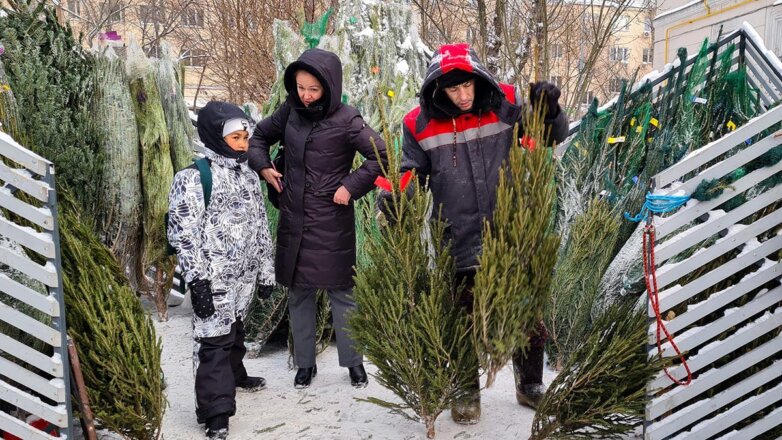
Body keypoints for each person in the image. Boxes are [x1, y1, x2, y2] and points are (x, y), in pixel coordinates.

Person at [383, 43, 568, 424]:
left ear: (478, 78)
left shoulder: (506, 103)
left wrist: (549, 111)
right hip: (457, 235)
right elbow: (410, 171)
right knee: (462, 319)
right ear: (439, 88)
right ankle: (465, 390)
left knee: (526, 314)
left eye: (467, 85)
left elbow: (547, 137)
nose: (463, 95)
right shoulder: (418, 123)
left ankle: (530, 383)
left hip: (511, 230)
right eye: (453, 89)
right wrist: (396, 197)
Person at [248, 48, 387, 390]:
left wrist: (350, 186)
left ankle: (354, 364)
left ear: (329, 86)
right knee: (299, 294)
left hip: (332, 220)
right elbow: (259, 137)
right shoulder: (289, 111)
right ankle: (305, 364)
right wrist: (264, 167)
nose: (306, 96)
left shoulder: (347, 118)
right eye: (300, 87)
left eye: (313, 89)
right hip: (294, 217)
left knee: (342, 293)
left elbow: (380, 155)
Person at [167, 101, 276, 440]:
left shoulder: (249, 176)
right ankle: (215, 412)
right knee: (214, 341)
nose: (243, 145)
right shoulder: (194, 177)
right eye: (235, 138)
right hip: (212, 278)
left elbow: (260, 225)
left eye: (246, 137)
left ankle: (236, 375)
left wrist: (266, 270)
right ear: (215, 136)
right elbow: (183, 234)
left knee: (235, 329)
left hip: (243, 277)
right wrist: (196, 280)